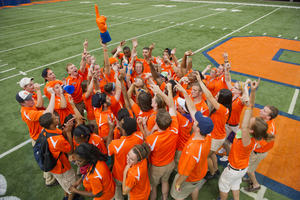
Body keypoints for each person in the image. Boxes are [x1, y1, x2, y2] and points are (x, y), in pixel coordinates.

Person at [218, 79, 275, 200]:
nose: (249, 118)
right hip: (241, 168)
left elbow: (244, 125)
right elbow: (251, 109)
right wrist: (251, 92)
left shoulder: (247, 141)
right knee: (235, 185)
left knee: (223, 186)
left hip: (233, 169)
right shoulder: (253, 136)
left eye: (250, 122)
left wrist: (248, 105)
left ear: (250, 130)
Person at [170, 81, 213, 200]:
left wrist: (178, 183)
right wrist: (185, 93)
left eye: (196, 121)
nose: (194, 119)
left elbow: (185, 173)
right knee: (194, 188)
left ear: (198, 129)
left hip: (190, 177)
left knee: (178, 196)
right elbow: (193, 111)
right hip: (199, 172)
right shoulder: (207, 134)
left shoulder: (193, 149)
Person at [16, 88, 58, 186]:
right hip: (39, 138)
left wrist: (38, 91)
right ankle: (49, 180)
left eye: (31, 97)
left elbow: (39, 104)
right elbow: (48, 114)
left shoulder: (28, 106)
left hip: (39, 136)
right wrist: (52, 95)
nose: (32, 99)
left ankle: (47, 176)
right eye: (29, 99)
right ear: (22, 103)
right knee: (47, 158)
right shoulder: (28, 112)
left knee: (46, 156)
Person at [195, 72, 232, 180]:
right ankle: (215, 169)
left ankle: (211, 173)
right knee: (211, 155)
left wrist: (200, 82)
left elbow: (210, 97)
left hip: (216, 138)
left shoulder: (222, 109)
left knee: (204, 156)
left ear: (222, 100)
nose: (215, 95)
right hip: (215, 136)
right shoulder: (223, 108)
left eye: (218, 95)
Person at [145, 83, 178, 200]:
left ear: (156, 124)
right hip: (170, 164)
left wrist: (146, 127)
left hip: (156, 167)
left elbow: (146, 149)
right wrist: (160, 92)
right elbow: (172, 106)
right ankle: (165, 199)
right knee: (165, 183)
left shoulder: (152, 138)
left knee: (153, 187)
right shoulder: (174, 130)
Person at [39, 113, 79, 200]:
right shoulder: (57, 140)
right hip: (62, 169)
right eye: (55, 118)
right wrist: (68, 132)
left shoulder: (45, 131)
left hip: (55, 167)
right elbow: (70, 151)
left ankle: (66, 197)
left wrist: (65, 128)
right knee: (71, 186)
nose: (57, 117)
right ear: (52, 125)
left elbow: (59, 133)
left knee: (65, 185)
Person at [106, 116, 144, 200]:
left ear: (123, 131)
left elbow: (108, 148)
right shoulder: (140, 135)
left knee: (117, 189)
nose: (118, 123)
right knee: (132, 191)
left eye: (120, 123)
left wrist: (111, 129)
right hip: (133, 174)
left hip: (119, 175)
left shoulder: (116, 144)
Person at [243, 105, 278, 192]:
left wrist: (245, 144)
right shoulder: (264, 121)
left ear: (268, 117)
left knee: (249, 169)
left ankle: (255, 185)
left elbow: (258, 144)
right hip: (257, 152)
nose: (260, 110)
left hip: (257, 153)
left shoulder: (269, 129)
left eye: (264, 110)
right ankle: (251, 180)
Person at [219, 63, 248, 162]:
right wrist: (227, 70)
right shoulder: (232, 94)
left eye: (235, 87)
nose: (232, 87)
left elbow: (247, 100)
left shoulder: (241, 100)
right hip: (225, 122)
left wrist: (246, 87)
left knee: (227, 142)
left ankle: (228, 155)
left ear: (239, 91)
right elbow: (227, 80)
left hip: (232, 125)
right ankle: (224, 148)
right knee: (223, 138)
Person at [65, 52, 87, 117]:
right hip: (77, 103)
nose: (74, 68)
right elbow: (67, 93)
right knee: (81, 118)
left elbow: (82, 65)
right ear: (69, 72)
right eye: (71, 68)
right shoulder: (68, 80)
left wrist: (83, 57)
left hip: (85, 98)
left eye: (74, 66)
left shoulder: (79, 74)